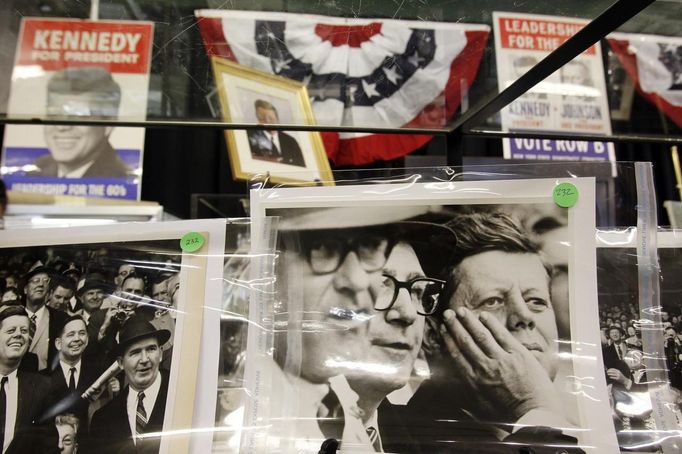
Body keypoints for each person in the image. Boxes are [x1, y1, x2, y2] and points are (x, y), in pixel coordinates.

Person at [383, 212, 584, 453]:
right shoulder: (408, 441)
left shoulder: (578, 425)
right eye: (492, 301)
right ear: (433, 335)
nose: (524, 317)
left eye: (536, 301)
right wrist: (539, 413)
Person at [266, 206, 449, 452]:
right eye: (385, 283)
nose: (407, 314)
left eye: (418, 291)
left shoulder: (420, 442)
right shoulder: (256, 420)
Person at [30, 67, 132, 179]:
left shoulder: (122, 177)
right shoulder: (35, 169)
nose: (61, 126)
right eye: (54, 114)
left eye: (78, 115)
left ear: (109, 124)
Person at [88, 317, 171, 454]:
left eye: (151, 349)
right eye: (135, 352)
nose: (144, 359)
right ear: (121, 363)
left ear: (160, 353)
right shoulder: (103, 419)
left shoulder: (180, 393)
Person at [0, 304, 54, 452]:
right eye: (11, 330)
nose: (18, 335)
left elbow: (47, 447)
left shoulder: (42, 388)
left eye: (24, 331)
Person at [43, 315, 106, 435]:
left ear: (87, 339)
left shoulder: (98, 375)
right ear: (58, 343)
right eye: (71, 334)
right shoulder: (43, 378)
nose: (77, 339)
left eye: (81, 333)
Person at [23, 266, 68, 371]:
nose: (41, 284)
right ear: (25, 289)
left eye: (45, 281)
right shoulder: (11, 317)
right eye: (35, 281)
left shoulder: (61, 319)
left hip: (47, 382)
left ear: (49, 292)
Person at [246, 99, 305, 167]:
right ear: (258, 119)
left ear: (277, 119)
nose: (267, 122)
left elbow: (301, 166)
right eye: (262, 118)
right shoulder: (249, 137)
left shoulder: (291, 141)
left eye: (271, 118)